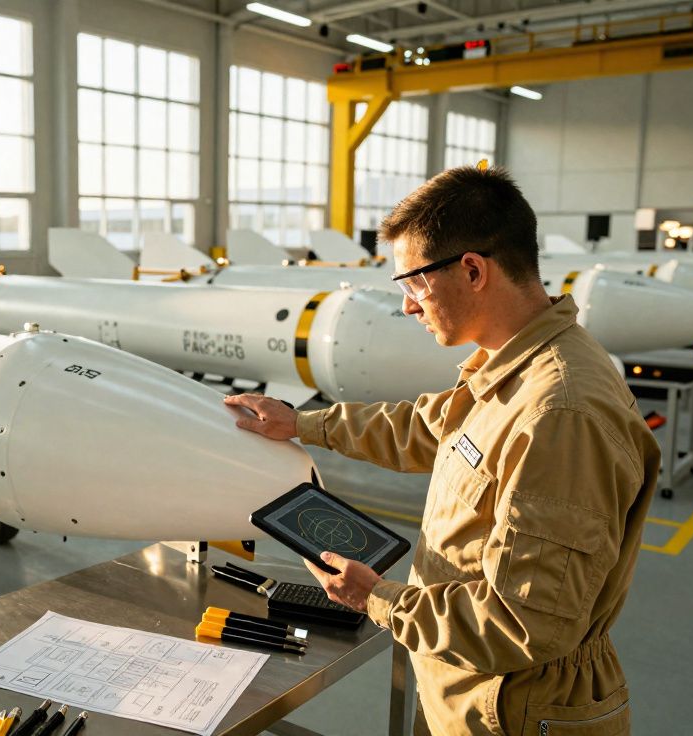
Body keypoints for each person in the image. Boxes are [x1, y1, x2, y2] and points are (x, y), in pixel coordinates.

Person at [225, 166, 659, 735]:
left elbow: (522, 625)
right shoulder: (514, 366)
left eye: (414, 283)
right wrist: (305, 424)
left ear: (473, 270)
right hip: (471, 689)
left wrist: (376, 597)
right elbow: (428, 427)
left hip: (513, 708)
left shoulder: (560, 414)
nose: (408, 306)